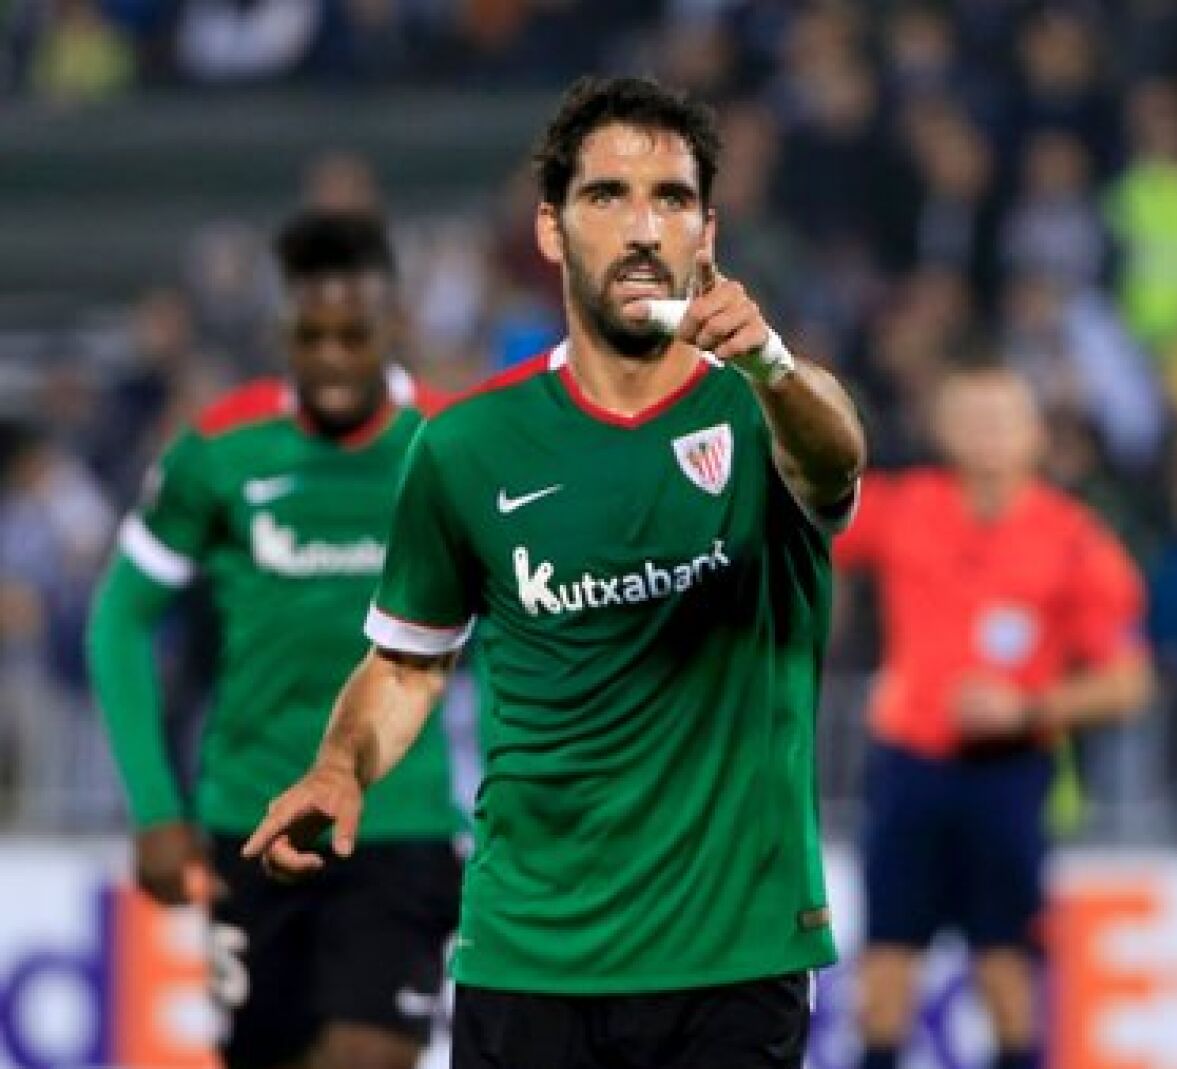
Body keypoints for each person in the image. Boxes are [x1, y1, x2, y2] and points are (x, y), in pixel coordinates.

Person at [243, 75, 866, 1069]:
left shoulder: (762, 409)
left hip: (731, 957)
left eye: (671, 199)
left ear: (707, 232)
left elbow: (836, 464)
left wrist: (775, 366)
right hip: (529, 955)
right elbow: (408, 661)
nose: (642, 227)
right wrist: (339, 762)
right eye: (606, 196)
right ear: (549, 229)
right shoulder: (466, 446)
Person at [87, 209, 462, 1069]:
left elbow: (520, 627)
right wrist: (154, 809)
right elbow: (118, 620)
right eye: (311, 333)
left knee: (370, 1052)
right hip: (248, 819)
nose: (331, 356)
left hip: (398, 822)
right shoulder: (219, 452)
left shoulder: (447, 447)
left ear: (391, 325)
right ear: (283, 328)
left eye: (352, 333)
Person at [835, 360, 1153, 1069]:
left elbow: (1130, 682)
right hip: (909, 765)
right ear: (941, 428)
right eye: (970, 417)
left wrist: (1028, 708)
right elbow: (805, 523)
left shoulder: (1074, 540)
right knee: (886, 966)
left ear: (1035, 435)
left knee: (1005, 970)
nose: (986, 433)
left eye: (1002, 418)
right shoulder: (905, 505)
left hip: (1007, 773)